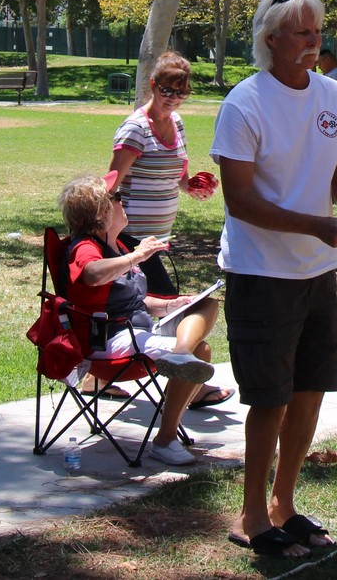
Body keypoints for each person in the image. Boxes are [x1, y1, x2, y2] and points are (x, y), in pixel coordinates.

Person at [212, 0, 337, 559]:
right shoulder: (244, 104)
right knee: (270, 398)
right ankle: (251, 514)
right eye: (303, 33)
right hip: (261, 274)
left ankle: (285, 504)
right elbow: (239, 201)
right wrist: (315, 226)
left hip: (318, 272)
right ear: (271, 39)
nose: (315, 42)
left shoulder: (333, 98)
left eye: (317, 31)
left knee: (310, 390)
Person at [59, 174, 220, 466]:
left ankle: (180, 355)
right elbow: (93, 274)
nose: (124, 201)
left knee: (207, 305)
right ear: (102, 212)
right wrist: (138, 256)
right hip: (108, 338)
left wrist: (171, 304)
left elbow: (134, 299)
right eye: (117, 197)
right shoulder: (86, 246)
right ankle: (165, 440)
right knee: (202, 353)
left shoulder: (117, 246)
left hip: (136, 327)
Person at [105, 51, 232, 409]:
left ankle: (96, 377)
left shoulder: (176, 124)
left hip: (156, 240)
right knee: (181, 313)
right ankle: (191, 383)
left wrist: (192, 186)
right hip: (131, 241)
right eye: (167, 90)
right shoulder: (135, 128)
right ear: (152, 86)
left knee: (144, 311)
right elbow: (112, 181)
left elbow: (179, 174)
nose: (173, 97)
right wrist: (101, 234)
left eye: (181, 91)